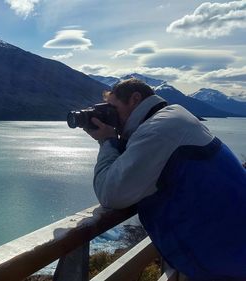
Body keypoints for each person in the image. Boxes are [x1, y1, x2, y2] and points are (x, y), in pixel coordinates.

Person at [84, 78, 246, 280]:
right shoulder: (174, 116)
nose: (111, 115)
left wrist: (107, 141)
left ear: (135, 99)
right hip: (230, 247)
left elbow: (110, 194)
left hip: (227, 262)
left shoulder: (156, 131)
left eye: (114, 108)